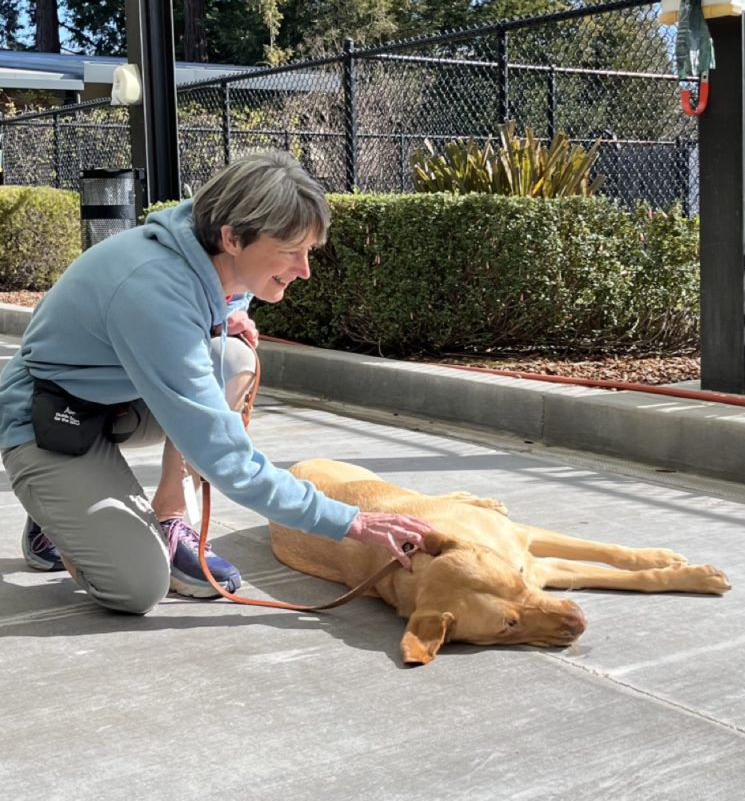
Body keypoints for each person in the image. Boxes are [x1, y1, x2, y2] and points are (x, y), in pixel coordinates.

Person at [0, 150, 433, 614]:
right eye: (290, 251)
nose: (304, 269)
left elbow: (218, 313)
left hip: (118, 402)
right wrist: (352, 523)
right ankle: (60, 517)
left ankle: (168, 517)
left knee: (232, 357)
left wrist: (229, 315)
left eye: (308, 250)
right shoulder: (154, 289)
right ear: (231, 238)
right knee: (138, 587)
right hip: (49, 419)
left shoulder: (209, 252)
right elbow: (227, 459)